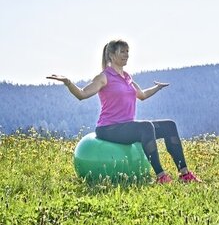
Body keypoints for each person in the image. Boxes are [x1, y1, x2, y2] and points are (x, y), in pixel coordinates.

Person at [47, 39, 201, 184]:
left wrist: (157, 87)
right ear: (112, 55)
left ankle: (184, 173)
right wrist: (68, 83)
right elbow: (82, 94)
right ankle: (161, 176)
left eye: (127, 51)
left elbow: (142, 95)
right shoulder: (104, 77)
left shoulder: (127, 78)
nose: (126, 55)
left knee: (169, 125)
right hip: (108, 129)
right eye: (122, 51)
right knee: (146, 127)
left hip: (126, 126)